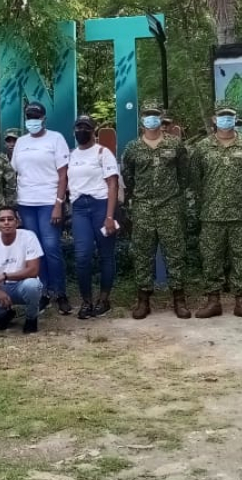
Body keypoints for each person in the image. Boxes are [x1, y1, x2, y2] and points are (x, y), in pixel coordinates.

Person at [190, 103, 242, 320]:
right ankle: (213, 301)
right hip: (211, 213)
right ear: (214, 119)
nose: (225, 120)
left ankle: (241, 302)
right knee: (211, 256)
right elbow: (195, 179)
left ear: (235, 119)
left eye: (229, 116)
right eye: (222, 116)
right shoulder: (202, 147)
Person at [121, 106, 191, 319]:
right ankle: (143, 301)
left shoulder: (175, 144)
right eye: (146, 115)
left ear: (161, 119)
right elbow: (128, 177)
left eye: (155, 115)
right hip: (143, 207)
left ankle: (179, 300)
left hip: (170, 206)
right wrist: (138, 198)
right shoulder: (132, 148)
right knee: (142, 254)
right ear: (141, 120)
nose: (151, 119)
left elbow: (184, 173)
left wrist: (175, 197)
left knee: (175, 253)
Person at [10, 102, 71, 314]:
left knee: (51, 247)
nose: (32, 120)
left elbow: (63, 175)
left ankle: (60, 292)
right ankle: (43, 292)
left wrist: (58, 204)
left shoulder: (56, 139)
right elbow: (17, 173)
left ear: (44, 118)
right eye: (29, 116)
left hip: (48, 202)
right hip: (26, 203)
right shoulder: (20, 142)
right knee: (35, 251)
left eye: (36, 116)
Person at [68, 115, 120, 319]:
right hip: (79, 208)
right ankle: (86, 301)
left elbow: (113, 184)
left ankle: (104, 299)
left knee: (106, 254)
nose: (82, 130)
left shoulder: (102, 152)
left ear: (93, 131)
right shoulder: (71, 155)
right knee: (82, 256)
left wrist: (109, 216)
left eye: (86, 127)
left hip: (101, 206)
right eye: (78, 127)